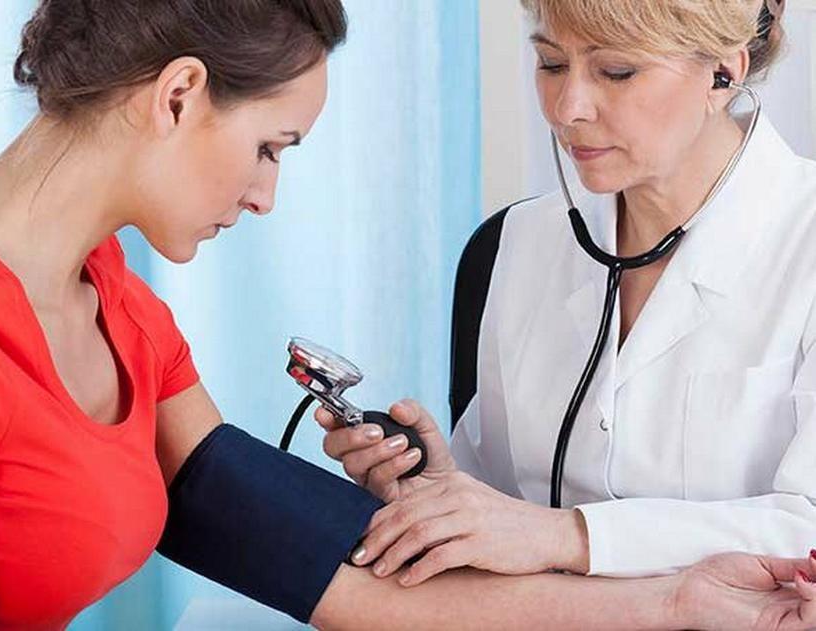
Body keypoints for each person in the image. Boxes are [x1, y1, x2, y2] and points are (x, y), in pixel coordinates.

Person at [0, 1, 816, 629]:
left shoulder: (116, 302)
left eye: (615, 69)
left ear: (725, 70)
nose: (267, 196)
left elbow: (296, 547)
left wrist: (670, 598)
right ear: (179, 95)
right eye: (270, 147)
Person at [318, 0, 816, 593]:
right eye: (552, 64)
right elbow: (505, 503)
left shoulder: (802, 241)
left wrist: (573, 536)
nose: (567, 108)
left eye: (616, 72)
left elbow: (806, 526)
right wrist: (442, 492)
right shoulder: (517, 242)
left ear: (722, 73)